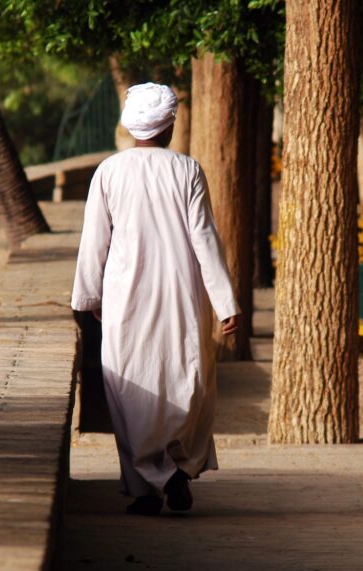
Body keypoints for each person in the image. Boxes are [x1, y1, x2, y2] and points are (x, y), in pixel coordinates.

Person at [71, 82, 241, 516]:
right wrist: (225, 303)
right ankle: (178, 468)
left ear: (131, 126)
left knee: (132, 388)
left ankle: (146, 487)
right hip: (183, 296)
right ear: (169, 125)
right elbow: (205, 240)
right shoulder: (187, 170)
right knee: (187, 380)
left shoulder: (109, 171)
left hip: (127, 297)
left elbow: (95, 243)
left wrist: (88, 298)